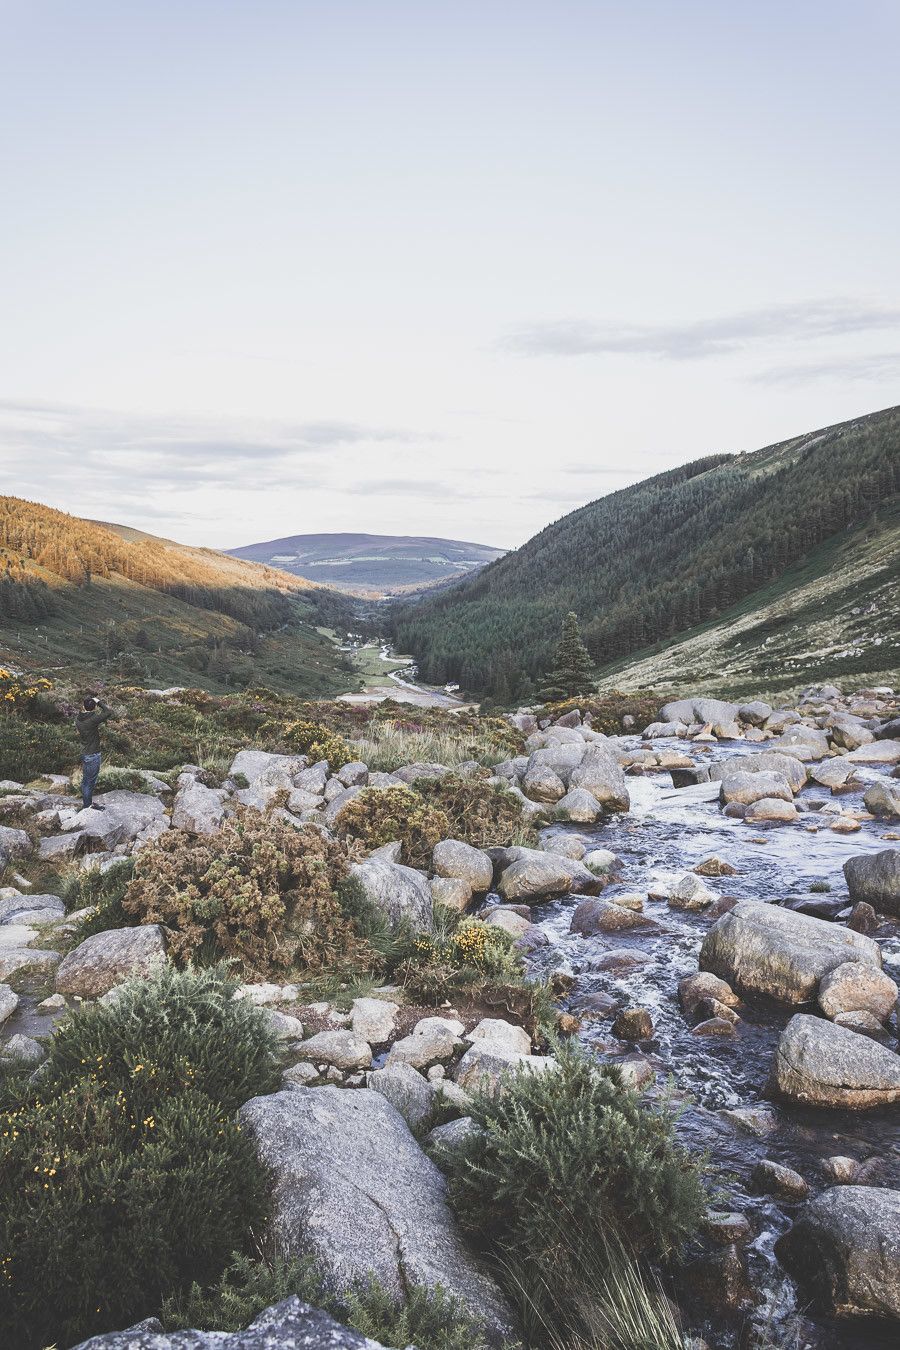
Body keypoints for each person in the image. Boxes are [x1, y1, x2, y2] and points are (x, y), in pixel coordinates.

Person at [75, 696, 117, 811]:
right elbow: (108, 712)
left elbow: (86, 714)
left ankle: (87, 804)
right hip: (93, 754)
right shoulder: (92, 720)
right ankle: (87, 806)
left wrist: (92, 705)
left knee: (85, 781)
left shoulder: (78, 719)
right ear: (93, 708)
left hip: (85, 753)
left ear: (83, 707)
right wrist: (99, 702)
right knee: (90, 782)